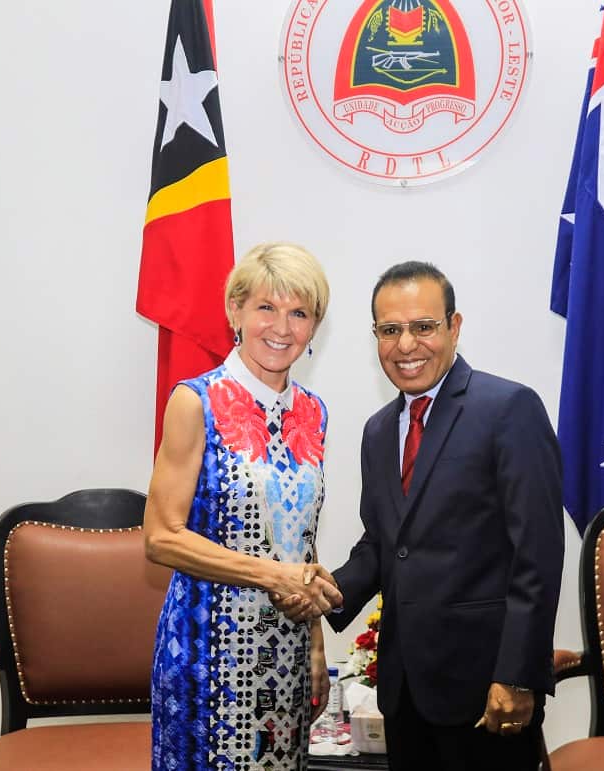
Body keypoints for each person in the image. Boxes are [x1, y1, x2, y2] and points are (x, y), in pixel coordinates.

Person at [283, 261, 565, 771]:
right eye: (390, 330)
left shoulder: (508, 409)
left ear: (454, 327)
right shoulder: (377, 430)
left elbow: (538, 556)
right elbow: (384, 543)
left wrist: (518, 675)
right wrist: (327, 590)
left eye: (423, 326)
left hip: (486, 689)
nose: (406, 345)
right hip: (404, 690)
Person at [144, 242, 344, 771]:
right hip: (205, 659)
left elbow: (301, 543)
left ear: (314, 327)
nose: (281, 327)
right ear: (235, 310)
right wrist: (274, 575)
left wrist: (316, 645)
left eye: (299, 313)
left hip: (287, 660)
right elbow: (160, 537)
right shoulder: (196, 401)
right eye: (266, 307)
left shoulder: (315, 413)